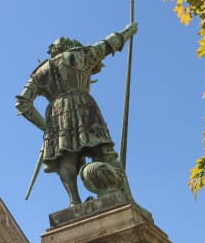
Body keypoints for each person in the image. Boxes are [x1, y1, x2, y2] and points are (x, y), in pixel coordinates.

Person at [16, 23, 137, 206]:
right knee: (105, 153)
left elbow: (23, 103)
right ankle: (127, 199)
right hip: (83, 105)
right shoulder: (79, 54)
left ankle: (74, 202)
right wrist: (129, 31)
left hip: (56, 113)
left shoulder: (39, 73)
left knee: (66, 157)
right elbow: (108, 43)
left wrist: (47, 127)